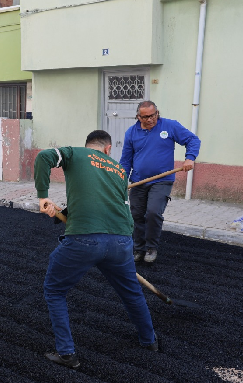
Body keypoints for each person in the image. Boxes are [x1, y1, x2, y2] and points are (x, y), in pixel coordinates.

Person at [35, 130, 158, 369]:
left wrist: (43, 197)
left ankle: (67, 354)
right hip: (121, 242)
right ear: (108, 149)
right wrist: (64, 211)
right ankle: (149, 341)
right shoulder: (119, 170)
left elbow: (43, 157)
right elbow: (109, 204)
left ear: (88, 144)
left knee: (55, 290)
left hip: (84, 240)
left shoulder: (75, 153)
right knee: (132, 294)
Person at [120, 101, 201, 264]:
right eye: (145, 117)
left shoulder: (169, 126)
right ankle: (138, 248)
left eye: (153, 115)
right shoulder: (131, 133)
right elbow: (126, 160)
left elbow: (193, 140)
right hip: (138, 181)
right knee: (135, 215)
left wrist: (190, 158)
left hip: (162, 180)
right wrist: (120, 180)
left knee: (153, 212)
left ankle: (151, 248)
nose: (150, 119)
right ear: (138, 117)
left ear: (157, 113)